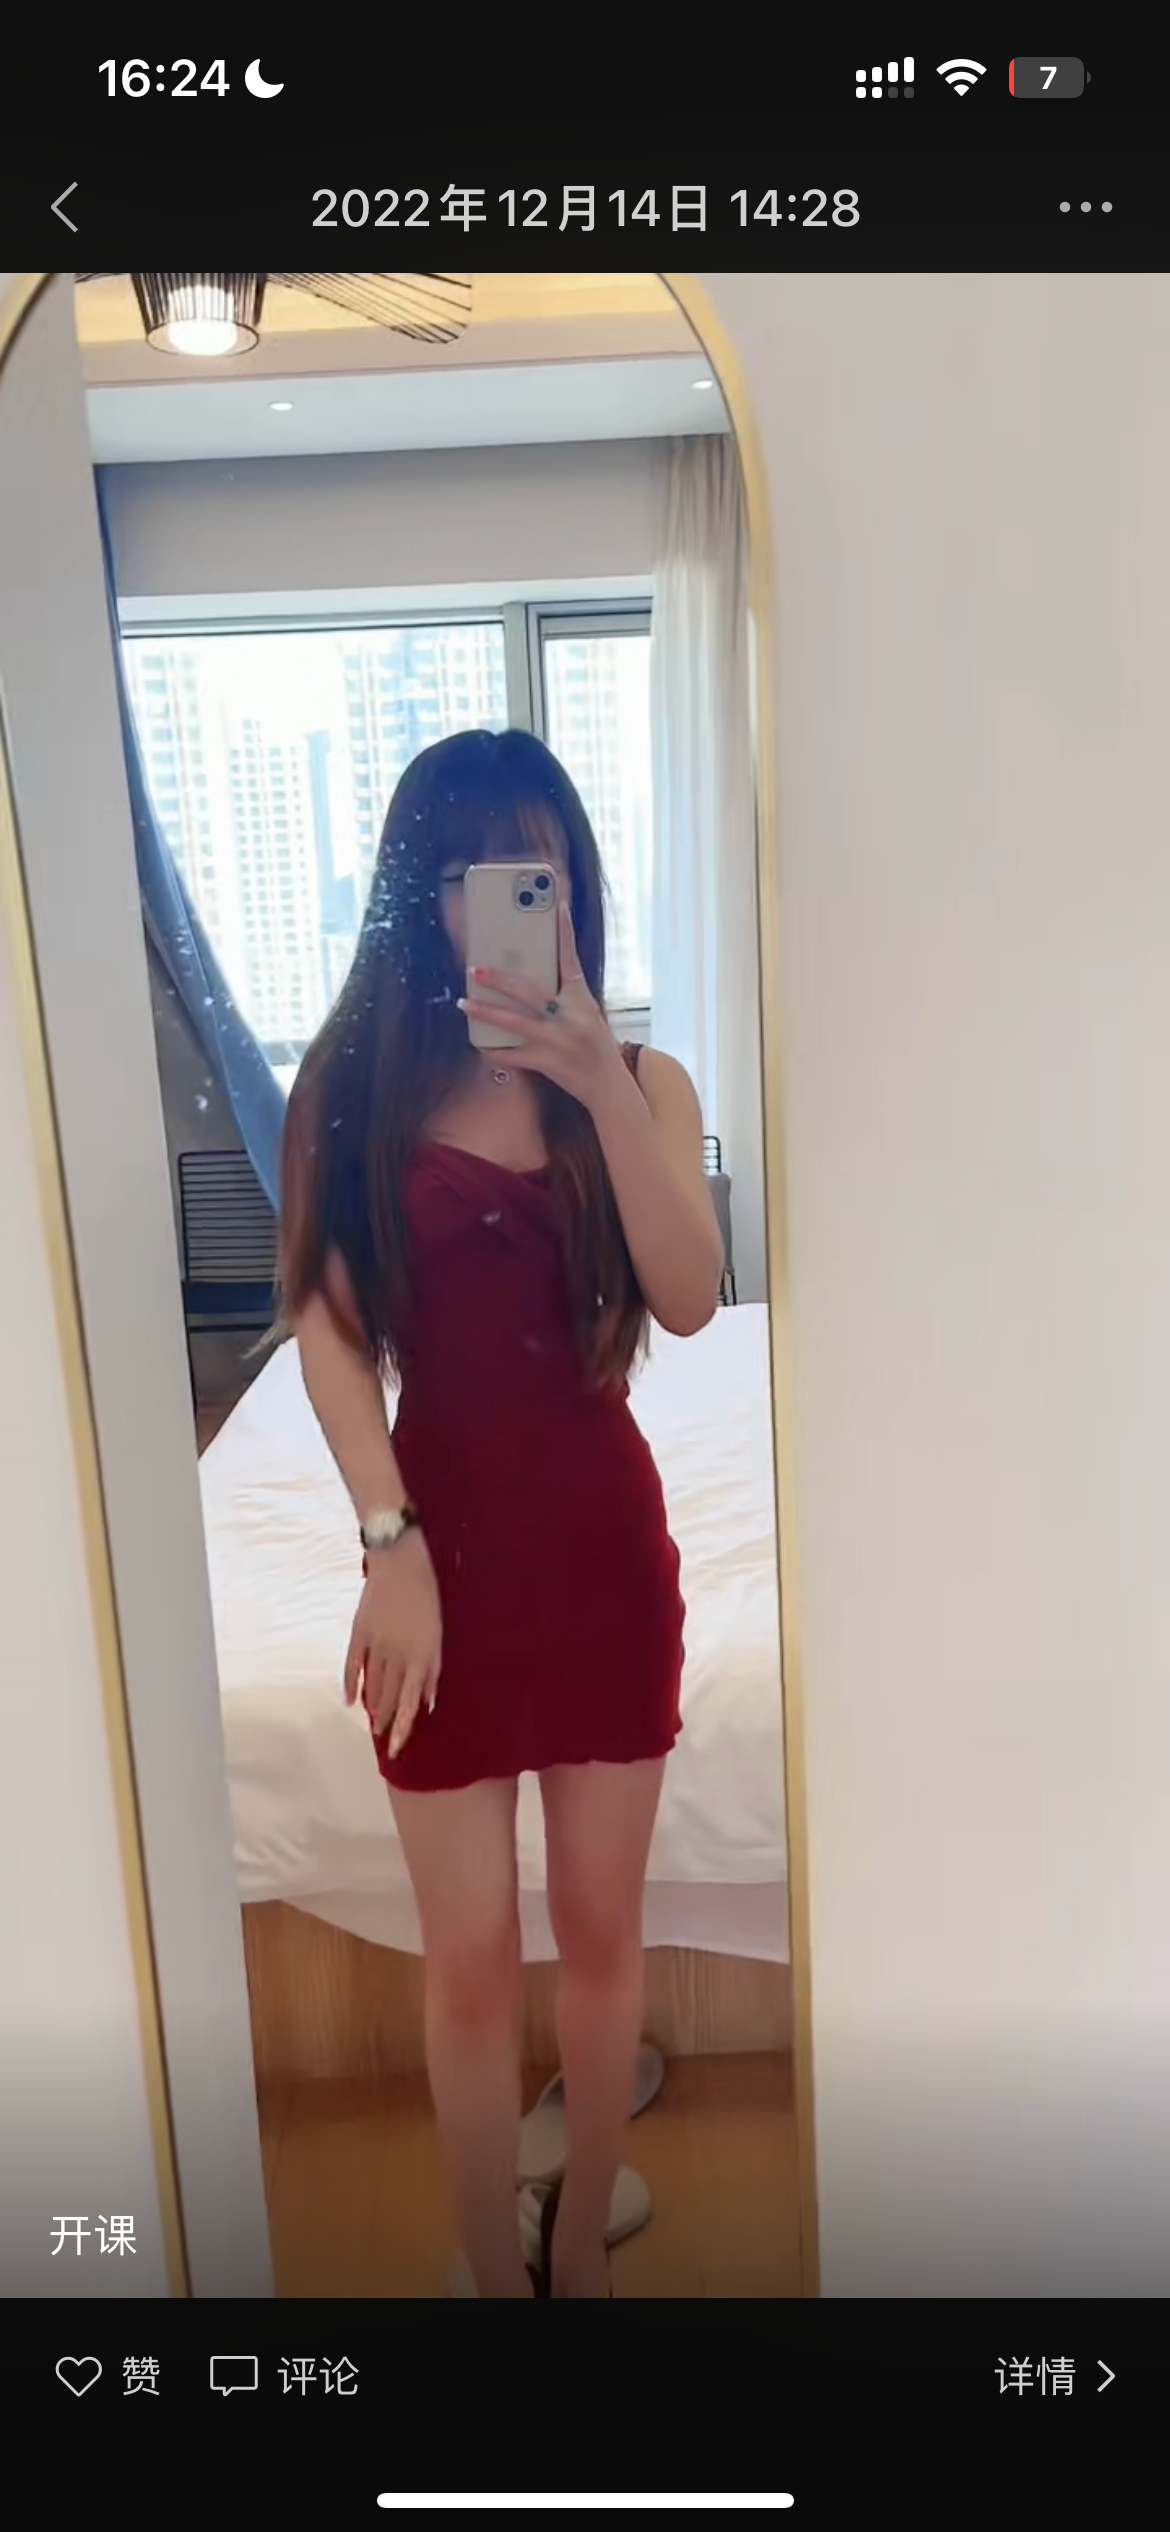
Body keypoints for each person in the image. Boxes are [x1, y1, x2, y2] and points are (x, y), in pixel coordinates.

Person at [279, 728, 725, 2298]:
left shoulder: (642, 1082)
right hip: (439, 1566)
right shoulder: (350, 1085)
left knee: (601, 1937)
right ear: (427, 898)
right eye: (475, 872)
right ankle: (483, 2259)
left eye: (536, 868)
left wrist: (597, 1081)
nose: (509, 900)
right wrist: (385, 1544)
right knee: (466, 1961)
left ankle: (578, 2234)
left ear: (569, 885)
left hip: (600, 1560)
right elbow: (326, 1328)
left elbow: (690, 1296)